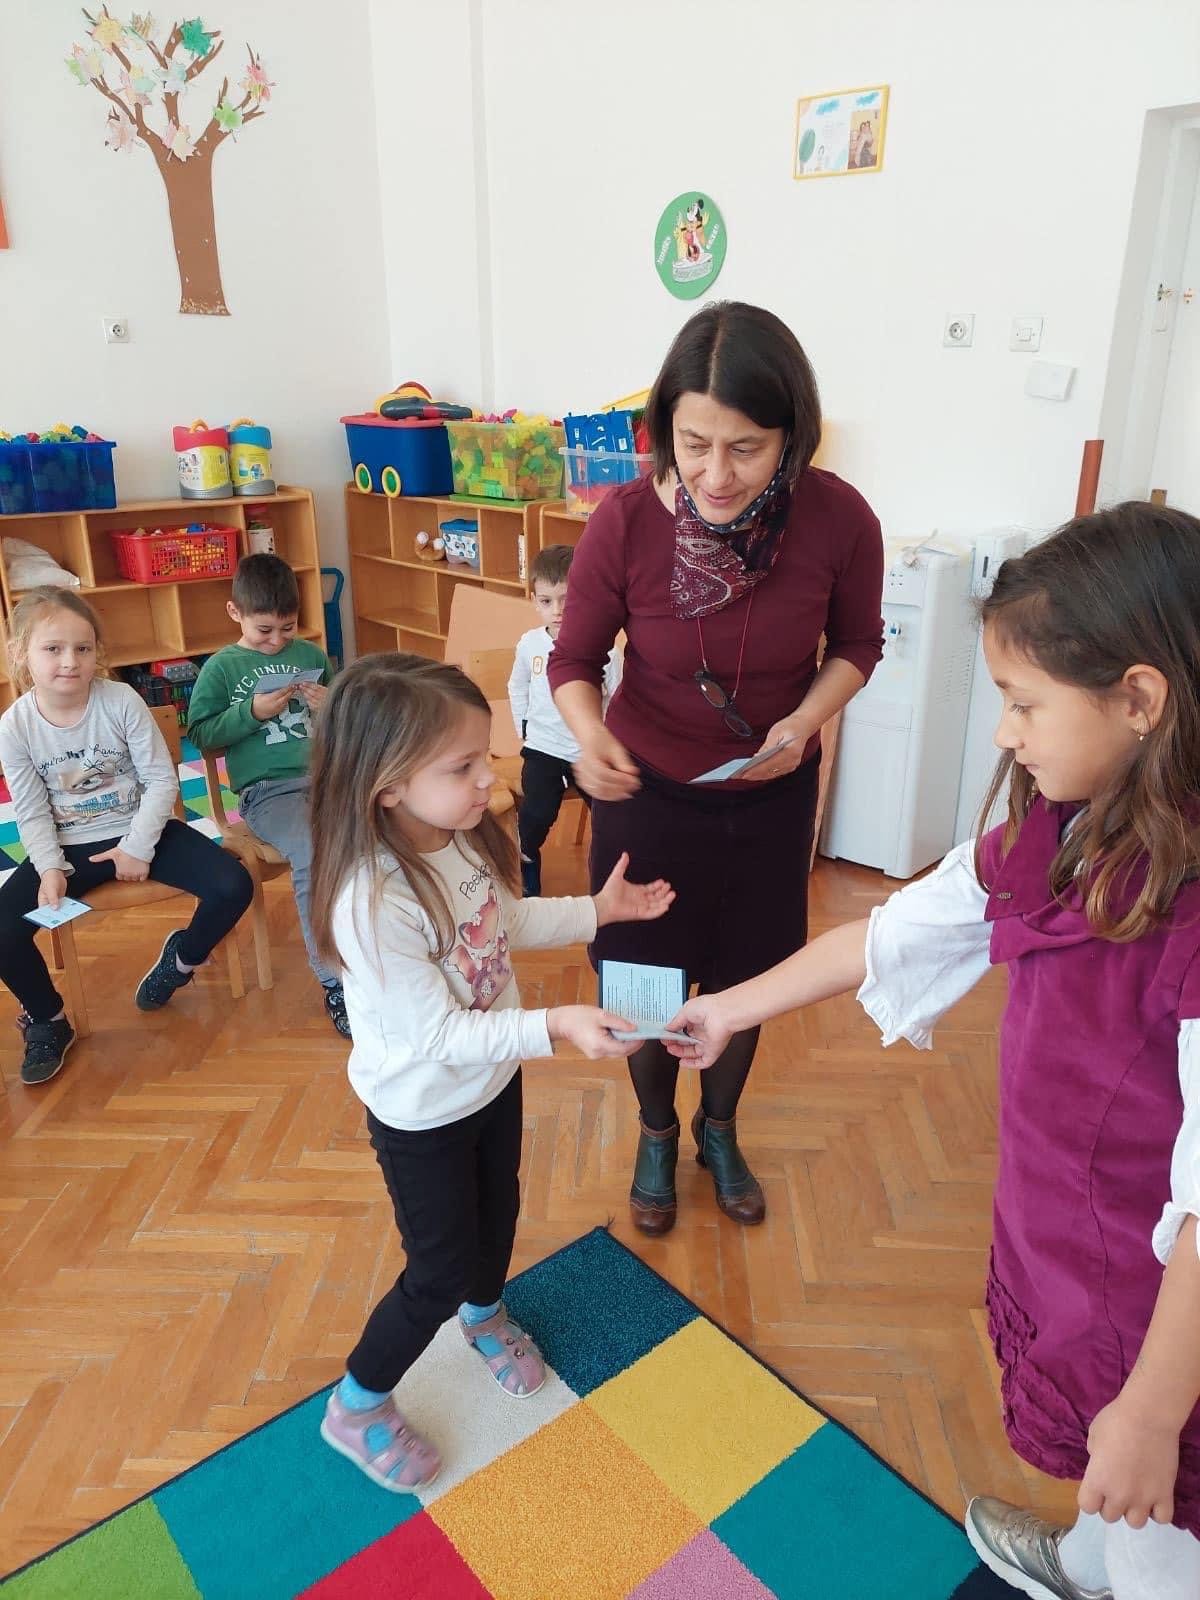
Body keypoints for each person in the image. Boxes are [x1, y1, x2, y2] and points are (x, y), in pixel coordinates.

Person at [665, 503, 1200, 1600]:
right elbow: (896, 930)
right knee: (1111, 1480)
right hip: (1071, 1238)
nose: (1005, 733)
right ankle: (1086, 1565)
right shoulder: (1063, 830)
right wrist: (730, 1009)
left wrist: (1154, 1409)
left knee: (1158, 1505)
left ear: (1140, 700)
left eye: (1024, 703)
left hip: (1163, 1314)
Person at [548, 300, 884, 1235]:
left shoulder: (838, 518)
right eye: (695, 445)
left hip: (769, 800)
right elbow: (573, 660)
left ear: (793, 436)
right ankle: (658, 1132)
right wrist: (589, 735)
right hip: (648, 796)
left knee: (747, 975)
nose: (716, 474)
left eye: (747, 448)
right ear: (666, 430)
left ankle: (720, 1128)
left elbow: (858, 644)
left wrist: (806, 718)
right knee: (643, 981)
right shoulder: (624, 522)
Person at [307, 653, 675, 1490]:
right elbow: (438, 1033)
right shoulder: (371, 901)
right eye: (463, 766)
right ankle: (358, 1402)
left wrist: (598, 910)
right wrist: (557, 1024)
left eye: (487, 755)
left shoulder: (456, 838)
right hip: (421, 1114)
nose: (490, 778)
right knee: (434, 1270)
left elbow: (503, 922)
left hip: (490, 1084)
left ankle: (484, 1314)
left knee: (498, 1209)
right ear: (388, 785)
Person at [0, 588, 253, 1085]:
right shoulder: (16, 726)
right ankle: (48, 1019)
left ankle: (182, 959)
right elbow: (30, 809)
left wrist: (138, 846)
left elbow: (160, 780)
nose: (70, 661)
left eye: (83, 648)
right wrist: (49, 867)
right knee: (2, 928)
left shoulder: (120, 700)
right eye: (53, 649)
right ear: (21, 653)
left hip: (144, 831)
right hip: (69, 846)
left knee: (233, 885)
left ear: (97, 650)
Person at [188, 554, 348, 1037]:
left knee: (385, 833)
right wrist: (252, 712)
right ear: (234, 612)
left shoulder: (312, 657)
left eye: (287, 628)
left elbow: (347, 722)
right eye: (264, 630)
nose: (277, 640)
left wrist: (333, 704)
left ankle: (384, 955)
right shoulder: (221, 668)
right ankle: (334, 981)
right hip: (268, 793)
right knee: (314, 852)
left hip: (328, 782)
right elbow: (201, 734)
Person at [507, 543, 621, 896]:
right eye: (546, 601)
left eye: (566, 601)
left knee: (613, 815)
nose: (557, 611)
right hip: (542, 747)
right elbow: (517, 686)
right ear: (534, 601)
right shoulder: (529, 644)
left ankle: (608, 874)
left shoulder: (607, 650)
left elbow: (618, 697)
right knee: (537, 812)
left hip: (587, 751)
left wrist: (606, 741)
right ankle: (526, 860)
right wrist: (523, 727)